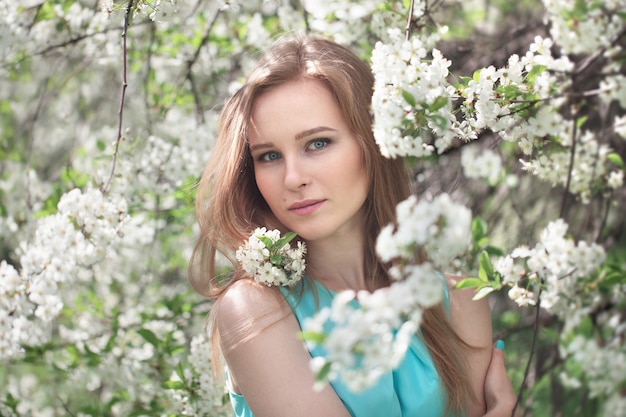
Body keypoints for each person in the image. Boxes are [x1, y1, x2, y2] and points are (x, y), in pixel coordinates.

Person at [189, 34, 518, 417]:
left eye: (317, 143)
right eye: (270, 155)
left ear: (373, 142)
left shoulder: (459, 301)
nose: (293, 178)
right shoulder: (254, 310)